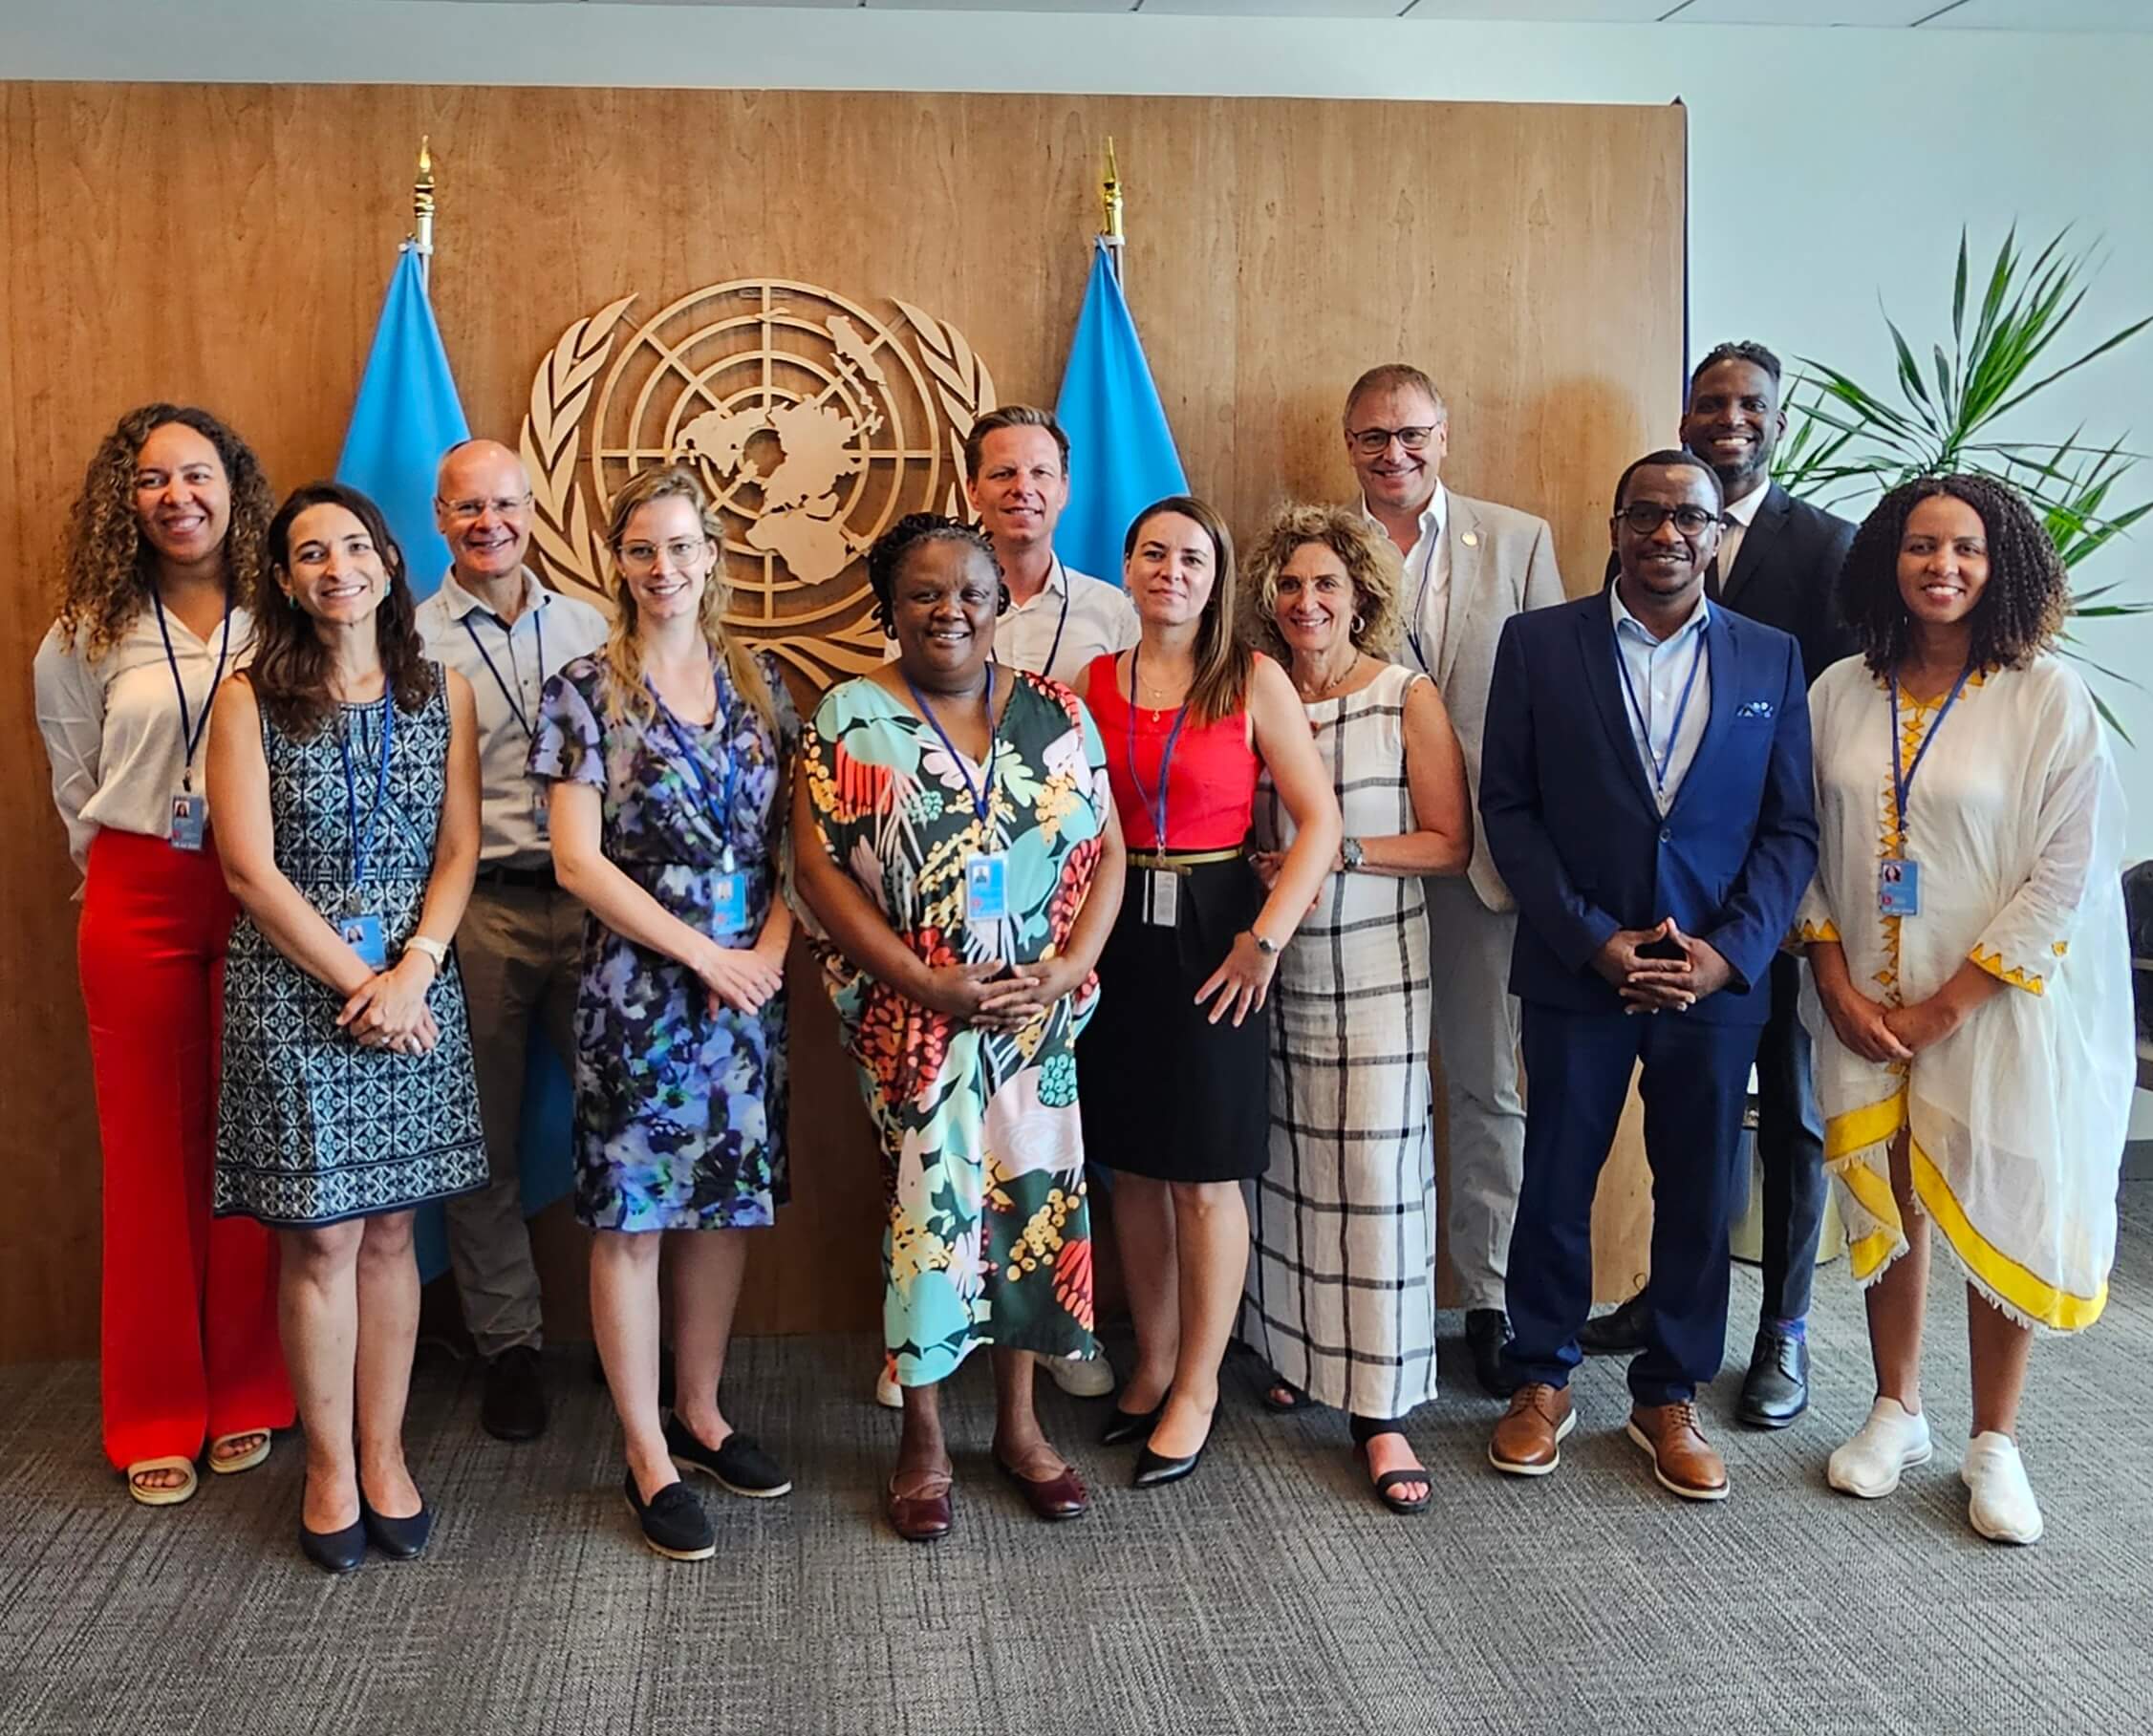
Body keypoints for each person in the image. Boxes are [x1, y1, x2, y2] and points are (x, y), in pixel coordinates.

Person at [1799, 475, 2132, 1545]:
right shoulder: (1840, 690)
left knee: (1995, 1197)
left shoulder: (2046, 696)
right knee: (1889, 1198)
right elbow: (1800, 844)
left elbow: (2065, 873)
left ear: (2003, 566)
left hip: (1994, 1004)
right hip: (1863, 1003)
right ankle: (1897, 1407)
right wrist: (1835, 979)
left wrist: (1950, 1003)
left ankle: (1997, 1441)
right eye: (1921, 546)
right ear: (1886, 559)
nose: (1942, 566)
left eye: (1968, 549)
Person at [1479, 450, 1816, 1503]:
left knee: (1698, 1188)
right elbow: (1511, 809)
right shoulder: (1538, 644)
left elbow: (1790, 824)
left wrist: (1727, 954)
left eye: (1691, 517)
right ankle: (1541, 1378)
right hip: (1583, 970)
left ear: (1718, 533)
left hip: (1715, 984)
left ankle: (1670, 1393)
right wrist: (1593, 939)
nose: (1668, 533)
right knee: (1556, 1180)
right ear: (1616, 525)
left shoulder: (1771, 656)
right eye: (1647, 514)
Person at [793, 512, 1125, 1541]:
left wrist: (1069, 966)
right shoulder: (850, 716)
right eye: (925, 593)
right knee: (931, 1216)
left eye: (971, 592)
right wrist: (920, 980)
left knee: (1033, 1204)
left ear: (1002, 603)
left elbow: (1107, 849)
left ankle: (1021, 1428)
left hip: (1036, 1014)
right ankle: (925, 1435)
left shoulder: (1059, 714)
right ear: (890, 607)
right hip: (915, 1018)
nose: (950, 609)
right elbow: (817, 869)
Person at [205, 482, 488, 1572]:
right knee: (320, 1233)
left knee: (388, 1231)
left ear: (386, 561)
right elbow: (249, 869)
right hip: (298, 990)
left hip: (415, 988)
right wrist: (360, 980)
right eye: (312, 553)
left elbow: (458, 848)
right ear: (283, 577)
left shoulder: (441, 690)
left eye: (356, 547)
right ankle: (327, 1464)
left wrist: (411, 968)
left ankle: (384, 1452)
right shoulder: (249, 699)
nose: (338, 568)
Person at [1580, 341, 1859, 1431]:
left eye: (1750, 405)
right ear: (1685, 416)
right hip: (1660, 901)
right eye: (1710, 402)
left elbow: (1828, 734)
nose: (1729, 418)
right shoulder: (1651, 524)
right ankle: (1667, 1297)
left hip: (1778, 901)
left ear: (1778, 421)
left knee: (1786, 1112)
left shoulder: (1831, 549)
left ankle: (1782, 1327)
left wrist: (1778, 910)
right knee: (1686, 1118)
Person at [529, 465, 796, 1563]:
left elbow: (798, 839)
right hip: (639, 989)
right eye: (643, 549)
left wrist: (769, 954)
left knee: (724, 1205)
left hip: (752, 989)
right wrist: (706, 957)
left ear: (713, 555)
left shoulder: (763, 677)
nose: (664, 567)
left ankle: (702, 1409)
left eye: (683, 546)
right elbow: (577, 860)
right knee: (633, 1215)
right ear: (619, 562)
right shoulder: (585, 688)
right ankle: (644, 1447)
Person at [32, 404, 294, 1507]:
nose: (176, 496)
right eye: (151, 479)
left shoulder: (282, 616)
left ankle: (247, 1388)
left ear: (235, 490)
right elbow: (71, 780)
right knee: (147, 1159)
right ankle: (152, 1408)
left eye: (197, 474)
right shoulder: (85, 630)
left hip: (264, 893)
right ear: (124, 500)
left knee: (250, 1147)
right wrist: (120, 881)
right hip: (138, 894)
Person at [872, 401, 1137, 1407]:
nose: (1021, 489)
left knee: (1055, 1143)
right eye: (1000, 474)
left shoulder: (1113, 611)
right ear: (972, 487)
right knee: (925, 1146)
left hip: (1063, 929)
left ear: (1066, 489)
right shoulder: (943, 591)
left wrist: (1070, 955)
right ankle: (923, 1330)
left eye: (1040, 473)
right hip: (940, 935)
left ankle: (1059, 1325)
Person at [1076, 496, 1341, 1488]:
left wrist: (1264, 941)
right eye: (1154, 553)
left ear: (1218, 576)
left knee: (1203, 1172)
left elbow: (1317, 821)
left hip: (1217, 928)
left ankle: (1197, 1384)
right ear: (1129, 566)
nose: (1172, 571)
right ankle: (1149, 1361)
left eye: (1193, 557)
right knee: (1133, 1166)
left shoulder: (1252, 678)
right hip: (1111, 929)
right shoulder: (1089, 682)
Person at [1237, 504, 1472, 1513]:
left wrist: (1343, 852)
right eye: (1290, 585)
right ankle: (1291, 1350)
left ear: (1362, 595)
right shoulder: (1252, 691)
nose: (1307, 601)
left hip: (1377, 962)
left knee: (1375, 1172)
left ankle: (1379, 1407)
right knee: (1281, 1165)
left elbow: (1451, 842)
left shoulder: (1403, 695)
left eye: (1327, 584)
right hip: (1272, 965)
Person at [1343, 363, 1564, 1395]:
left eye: (1413, 433)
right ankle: (1361, 1291)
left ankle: (1486, 1295)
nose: (1396, 452)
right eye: (1375, 437)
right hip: (1357, 858)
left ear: (1445, 432)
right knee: (1359, 1087)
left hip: (1483, 865)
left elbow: (1556, 702)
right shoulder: (1318, 548)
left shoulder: (1516, 539)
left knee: (1487, 1084)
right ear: (1351, 445)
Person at [415, 438, 608, 1443]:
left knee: (622, 1123)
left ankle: (639, 1336)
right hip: (477, 908)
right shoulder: (410, 639)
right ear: (438, 517)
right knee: (480, 1139)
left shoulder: (592, 624)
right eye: (465, 507)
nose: (487, 522)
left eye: (504, 503)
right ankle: (511, 1346)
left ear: (531, 508)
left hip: (595, 904)